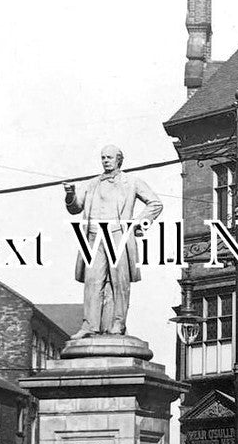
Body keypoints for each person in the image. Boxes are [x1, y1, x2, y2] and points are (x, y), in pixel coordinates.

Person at [63, 144, 164, 338]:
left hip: (118, 235)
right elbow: (76, 208)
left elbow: (155, 203)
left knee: (120, 283)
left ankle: (119, 323)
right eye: (103, 157)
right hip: (93, 236)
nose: (105, 160)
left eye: (109, 157)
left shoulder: (131, 182)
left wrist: (137, 224)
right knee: (92, 283)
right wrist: (70, 195)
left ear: (119, 159)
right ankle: (89, 326)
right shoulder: (92, 183)